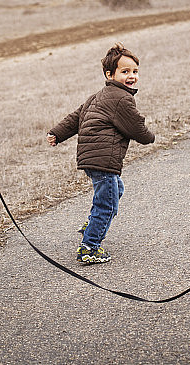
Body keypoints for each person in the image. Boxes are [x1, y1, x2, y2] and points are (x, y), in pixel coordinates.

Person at [47, 43, 155, 264]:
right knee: (107, 205)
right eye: (125, 72)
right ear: (110, 74)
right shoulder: (121, 99)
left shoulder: (100, 95)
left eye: (135, 71)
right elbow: (136, 127)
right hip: (103, 159)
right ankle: (89, 247)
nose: (131, 76)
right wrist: (149, 137)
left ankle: (92, 225)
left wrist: (57, 133)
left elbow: (75, 117)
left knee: (115, 190)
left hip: (92, 158)